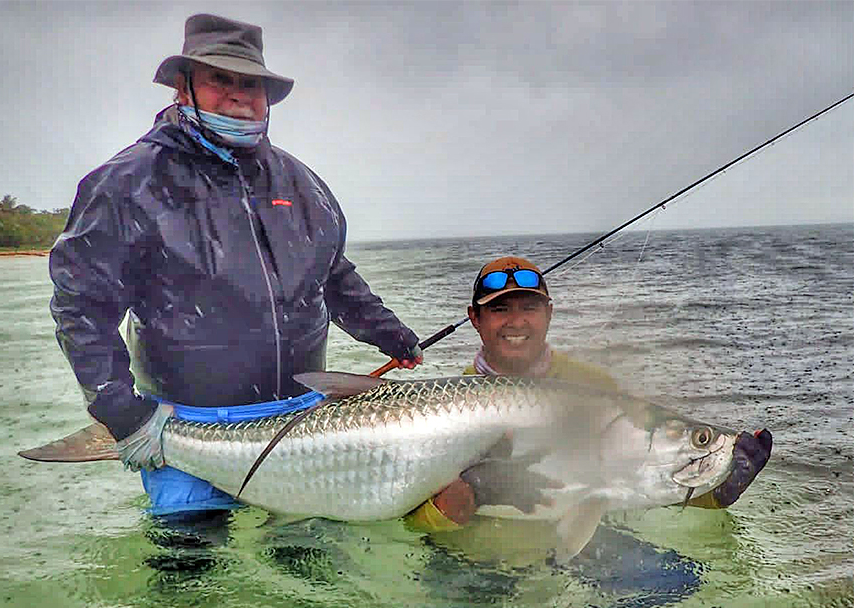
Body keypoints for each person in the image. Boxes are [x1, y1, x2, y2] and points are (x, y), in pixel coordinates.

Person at [49, 14, 422, 517]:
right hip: (187, 423)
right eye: (219, 79)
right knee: (187, 568)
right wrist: (121, 412)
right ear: (183, 88)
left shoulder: (301, 181)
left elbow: (332, 274)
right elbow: (82, 309)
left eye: (251, 84)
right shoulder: (126, 182)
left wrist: (388, 333)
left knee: (308, 566)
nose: (239, 94)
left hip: (301, 420)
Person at [408, 255, 772, 532]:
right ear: (475, 318)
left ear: (549, 314)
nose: (516, 322)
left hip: (582, 553)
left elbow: (631, 482)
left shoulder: (599, 390)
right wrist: (466, 497)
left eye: (529, 308)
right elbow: (410, 525)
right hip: (479, 559)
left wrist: (714, 492)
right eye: (500, 309)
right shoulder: (438, 412)